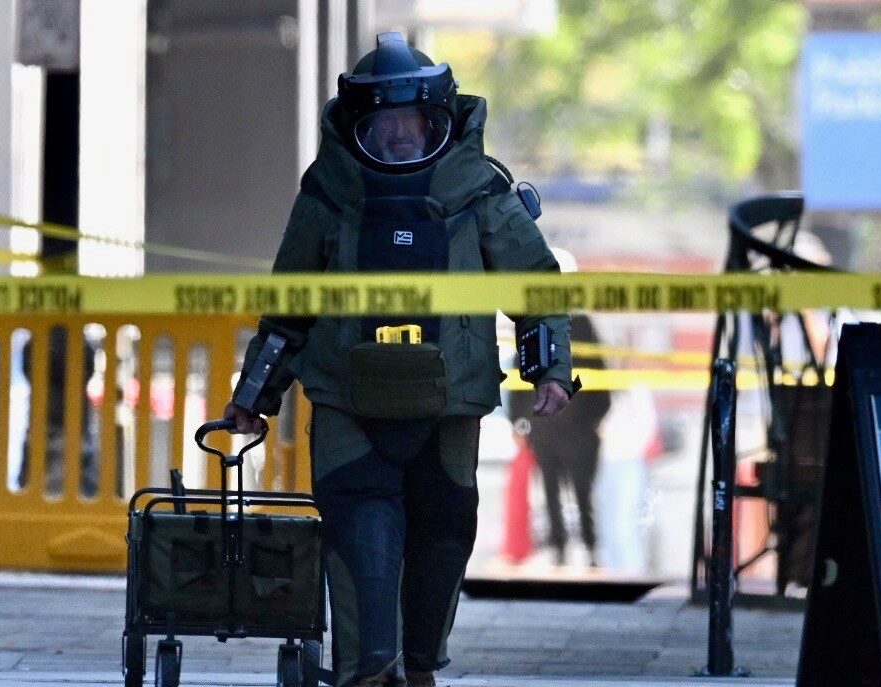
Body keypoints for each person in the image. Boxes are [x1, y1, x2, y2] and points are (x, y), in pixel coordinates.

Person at [224, 33, 577, 687]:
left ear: (437, 117)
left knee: (443, 536)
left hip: (450, 406)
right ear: (359, 125)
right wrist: (254, 395)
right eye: (383, 126)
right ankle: (368, 668)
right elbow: (287, 305)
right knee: (362, 533)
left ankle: (416, 665)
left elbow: (537, 285)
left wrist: (551, 368)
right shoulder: (328, 193)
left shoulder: (479, 189)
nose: (398, 140)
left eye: (410, 123)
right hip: (347, 404)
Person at [507, 248, 610, 567]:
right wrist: (519, 423)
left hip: (576, 426)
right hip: (547, 425)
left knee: (581, 491)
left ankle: (590, 548)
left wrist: (596, 417)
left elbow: (600, 374)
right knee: (551, 491)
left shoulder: (580, 325)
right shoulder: (533, 323)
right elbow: (519, 375)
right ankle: (560, 550)